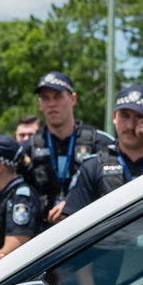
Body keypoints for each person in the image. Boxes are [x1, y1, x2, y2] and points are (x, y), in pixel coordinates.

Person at [63, 86, 143, 218]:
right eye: (124, 116)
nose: (130, 126)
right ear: (114, 117)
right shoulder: (94, 165)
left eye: (139, 117)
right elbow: (71, 221)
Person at [23, 72, 102, 221]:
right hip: (42, 233)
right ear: (40, 104)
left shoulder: (100, 142)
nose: (52, 103)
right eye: (45, 98)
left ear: (73, 99)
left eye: (58, 97)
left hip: (88, 229)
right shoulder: (27, 148)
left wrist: (72, 204)